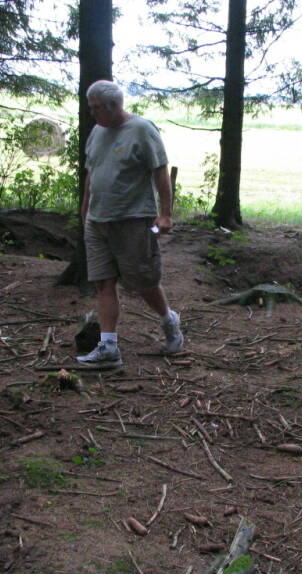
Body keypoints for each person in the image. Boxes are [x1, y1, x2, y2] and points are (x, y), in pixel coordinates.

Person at [76, 80, 184, 369]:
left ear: (115, 106)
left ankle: (168, 320)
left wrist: (165, 214)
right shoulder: (97, 132)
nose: (93, 113)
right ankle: (108, 346)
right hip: (97, 222)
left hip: (133, 220)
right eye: (91, 107)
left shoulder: (141, 129)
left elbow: (160, 172)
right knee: (103, 283)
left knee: (144, 283)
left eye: (97, 107)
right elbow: (92, 172)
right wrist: (85, 208)